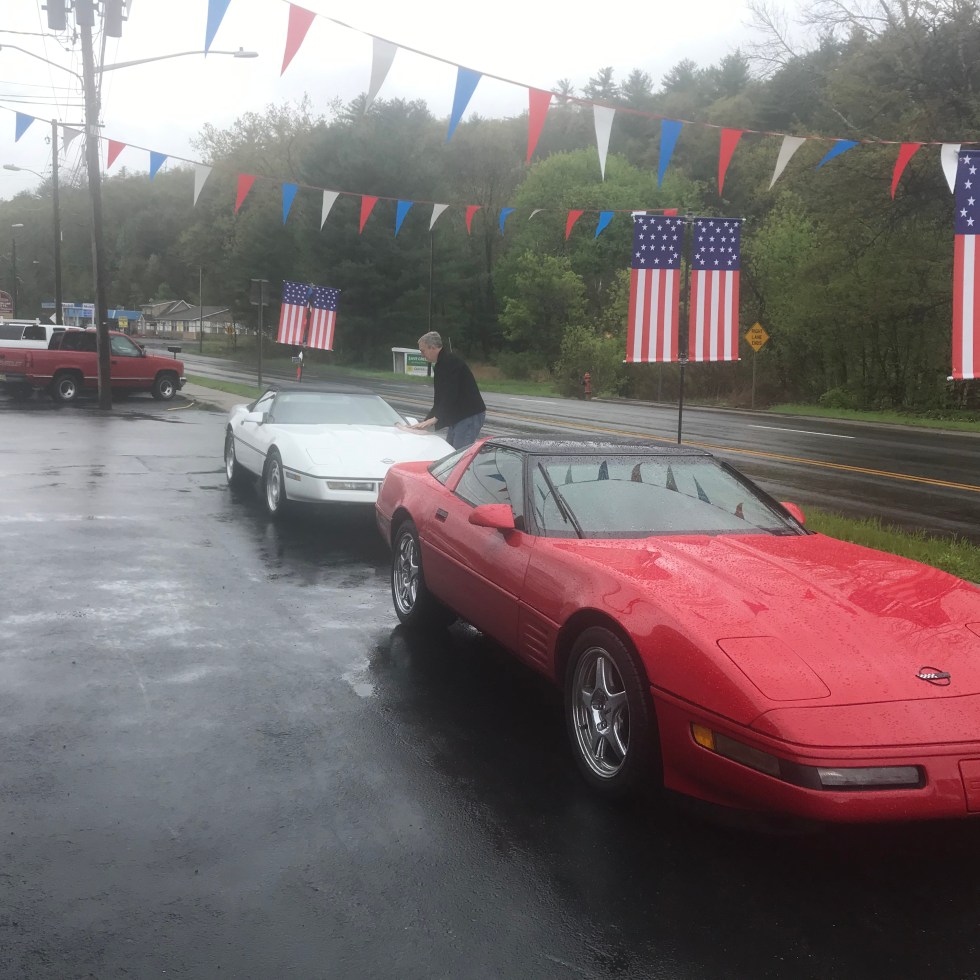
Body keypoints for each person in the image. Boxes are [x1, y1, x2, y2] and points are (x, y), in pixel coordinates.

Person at [411, 331, 486, 450]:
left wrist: (436, 417)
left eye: (422, 351)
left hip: (469, 415)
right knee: (450, 453)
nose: (422, 355)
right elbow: (440, 398)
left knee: (458, 455)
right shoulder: (441, 364)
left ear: (432, 347)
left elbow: (450, 393)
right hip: (458, 415)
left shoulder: (451, 363)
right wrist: (425, 423)